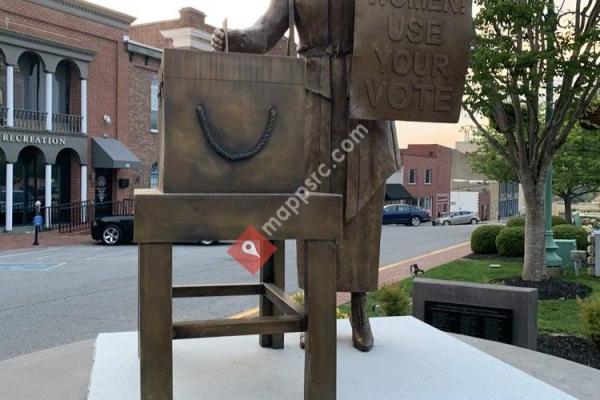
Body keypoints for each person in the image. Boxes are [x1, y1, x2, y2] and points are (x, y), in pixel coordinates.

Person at [212, 0, 400, 352]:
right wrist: (233, 38)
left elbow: (399, 23)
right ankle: (316, 307)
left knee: (363, 204)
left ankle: (359, 304)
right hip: (314, 94)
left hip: (367, 92)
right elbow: (266, 29)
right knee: (310, 200)